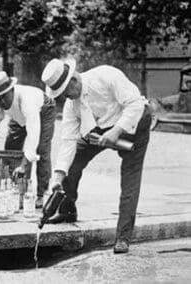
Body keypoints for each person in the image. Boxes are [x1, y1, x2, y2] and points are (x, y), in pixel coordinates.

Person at [41, 58, 151, 253]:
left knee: (129, 181)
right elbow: (67, 141)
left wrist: (116, 131)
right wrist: (57, 177)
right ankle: (68, 210)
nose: (67, 97)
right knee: (72, 164)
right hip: (99, 130)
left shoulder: (106, 75)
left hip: (134, 122)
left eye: (67, 92)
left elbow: (135, 104)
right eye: (62, 95)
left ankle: (123, 237)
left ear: (74, 79)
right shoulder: (71, 104)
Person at [0, 71, 56, 208]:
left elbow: (33, 134)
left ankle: (42, 194)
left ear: (11, 90)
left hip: (43, 110)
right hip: (18, 116)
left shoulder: (27, 100)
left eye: (5, 97)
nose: (2, 101)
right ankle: (14, 189)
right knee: (10, 147)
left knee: (41, 149)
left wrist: (23, 165)